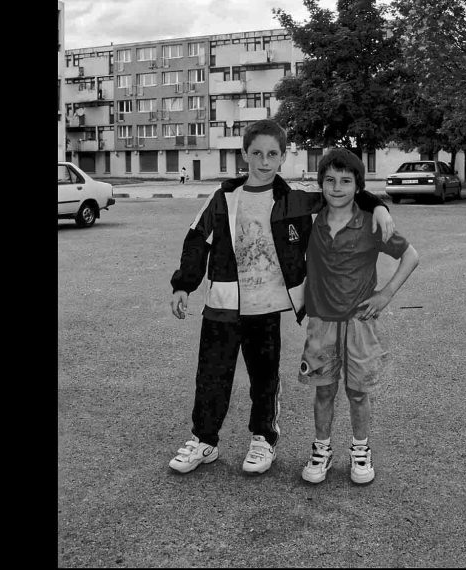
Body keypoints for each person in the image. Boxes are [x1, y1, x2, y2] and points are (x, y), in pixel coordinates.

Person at [168, 120, 396, 475]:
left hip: (266, 307)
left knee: (264, 378)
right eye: (257, 153)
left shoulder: (294, 198)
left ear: (283, 156)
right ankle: (204, 441)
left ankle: (263, 440)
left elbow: (342, 192)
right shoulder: (223, 197)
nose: (264, 161)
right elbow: (197, 239)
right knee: (211, 376)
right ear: (244, 154)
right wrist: (183, 284)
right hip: (221, 305)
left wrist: (378, 205)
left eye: (272, 154)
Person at [297, 148, 419, 485]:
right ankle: (322, 449)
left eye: (346, 181)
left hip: (359, 324)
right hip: (321, 322)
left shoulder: (371, 222)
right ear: (320, 184)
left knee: (358, 393)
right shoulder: (311, 219)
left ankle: (360, 449)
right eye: (330, 180)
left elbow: (411, 256)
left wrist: (385, 294)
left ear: (358, 186)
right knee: (324, 391)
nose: (337, 188)